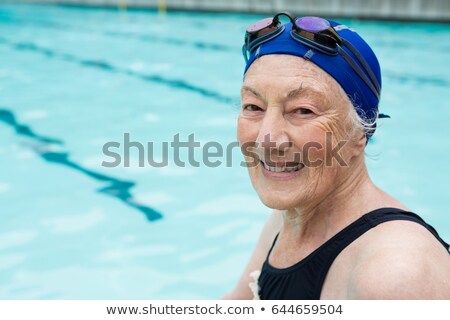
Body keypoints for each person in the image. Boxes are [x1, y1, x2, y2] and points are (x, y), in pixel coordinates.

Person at [223, 13, 450, 299]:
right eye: (254, 107)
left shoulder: (395, 275)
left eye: (303, 110)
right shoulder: (287, 220)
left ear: (360, 132)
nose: (268, 140)